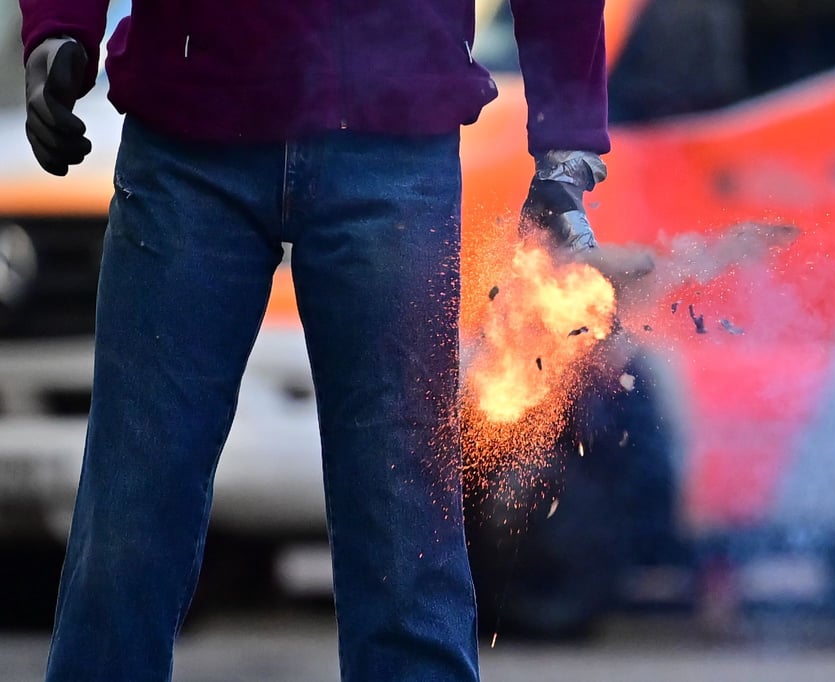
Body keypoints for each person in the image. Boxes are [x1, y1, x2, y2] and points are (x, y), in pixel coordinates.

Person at [20, 1, 610, 680]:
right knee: (133, 506)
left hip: (385, 132)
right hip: (194, 129)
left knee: (402, 524)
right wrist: (59, 26)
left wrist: (567, 151)